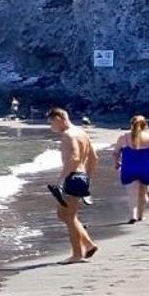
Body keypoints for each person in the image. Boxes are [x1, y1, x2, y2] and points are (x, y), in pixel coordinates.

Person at [46, 108, 99, 262]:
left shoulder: (68, 135)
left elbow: (75, 158)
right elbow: (94, 158)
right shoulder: (82, 133)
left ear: (59, 118)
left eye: (51, 124)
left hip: (73, 177)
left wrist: (61, 178)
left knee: (69, 217)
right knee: (63, 214)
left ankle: (77, 255)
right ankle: (88, 244)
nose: (52, 128)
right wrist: (87, 178)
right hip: (81, 176)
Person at [114, 115, 149, 224]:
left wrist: (116, 163)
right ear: (146, 125)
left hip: (129, 167)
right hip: (146, 168)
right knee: (143, 193)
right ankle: (141, 215)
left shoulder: (123, 137)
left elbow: (115, 152)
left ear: (131, 124)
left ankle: (133, 215)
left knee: (132, 193)